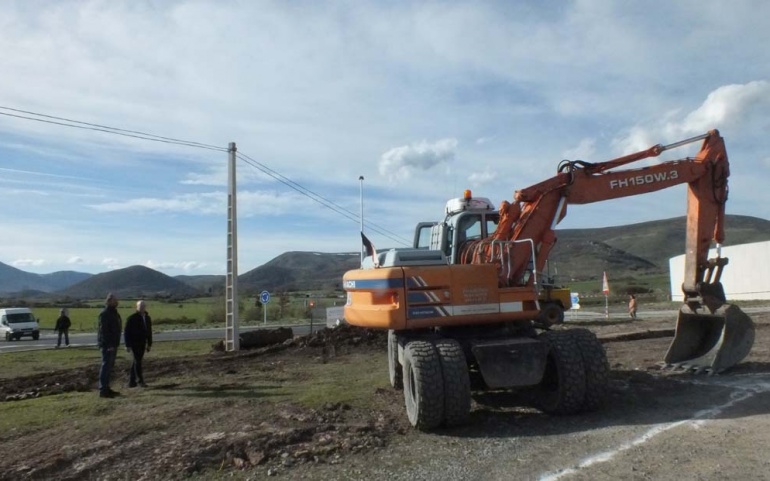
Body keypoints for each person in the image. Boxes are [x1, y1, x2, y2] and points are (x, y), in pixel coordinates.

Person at [97, 293, 122, 398]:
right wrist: (109, 345)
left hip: (114, 344)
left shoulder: (114, 313)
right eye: (115, 300)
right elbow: (104, 331)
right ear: (109, 301)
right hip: (108, 345)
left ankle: (107, 387)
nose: (117, 302)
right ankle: (103, 389)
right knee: (106, 366)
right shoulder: (105, 314)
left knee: (109, 367)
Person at [124, 300, 153, 388]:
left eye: (143, 306)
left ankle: (131, 382)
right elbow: (126, 332)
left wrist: (149, 344)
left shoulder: (147, 318)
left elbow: (149, 332)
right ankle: (140, 381)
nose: (142, 308)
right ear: (136, 307)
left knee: (136, 362)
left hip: (143, 343)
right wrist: (127, 345)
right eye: (140, 306)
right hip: (134, 343)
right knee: (138, 362)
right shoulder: (132, 318)